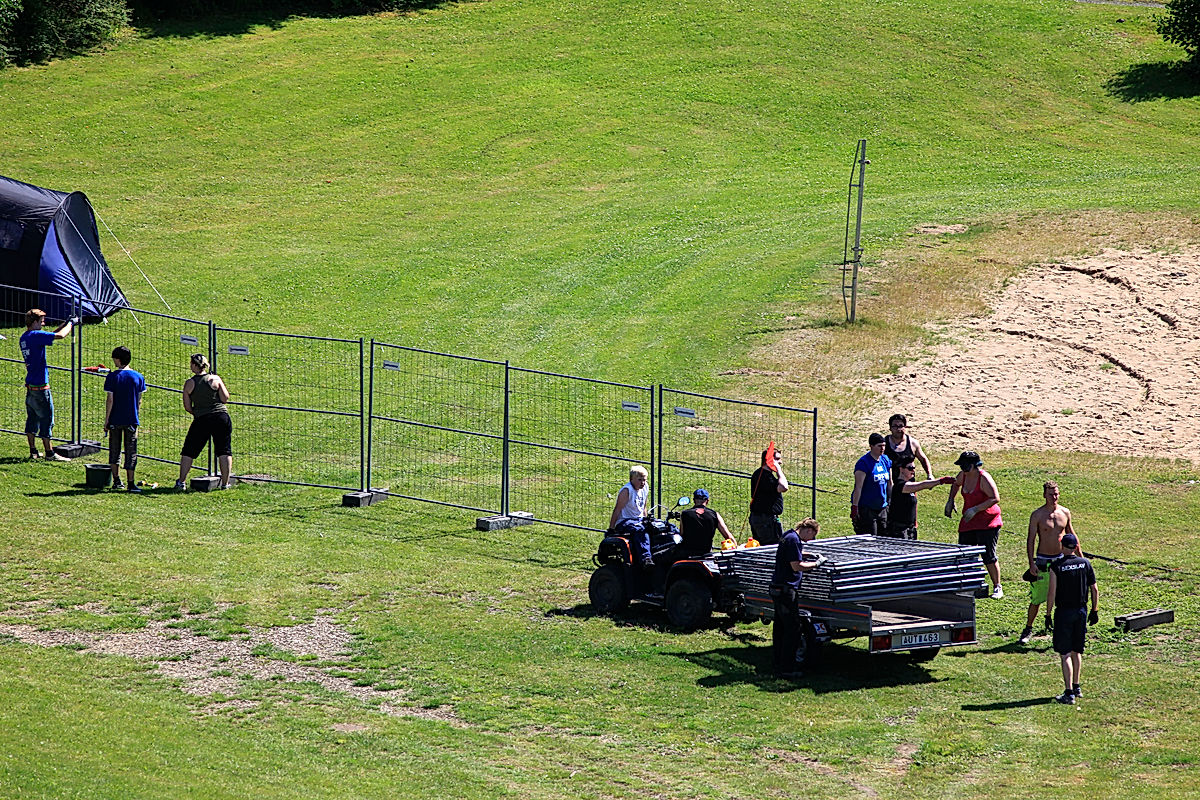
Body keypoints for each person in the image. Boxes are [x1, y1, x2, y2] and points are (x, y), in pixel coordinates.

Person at [1019, 481, 1075, 644]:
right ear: (1044, 495)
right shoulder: (1037, 515)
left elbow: (1072, 535)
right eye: (1051, 494)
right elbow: (1031, 540)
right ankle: (1028, 628)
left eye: (1056, 493)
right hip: (1043, 561)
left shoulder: (1065, 512)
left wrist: (1080, 557)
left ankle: (1060, 629)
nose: (1054, 497)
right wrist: (1031, 563)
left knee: (1063, 597)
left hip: (1061, 560)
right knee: (1037, 599)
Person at [1046, 533, 1099, 704]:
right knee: (1078, 651)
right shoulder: (1085, 563)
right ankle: (1077, 686)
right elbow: (1095, 589)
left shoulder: (1056, 566)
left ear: (1062, 546)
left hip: (1064, 612)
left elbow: (1052, 592)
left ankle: (1068, 693)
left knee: (1065, 654)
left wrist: (1047, 615)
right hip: (1081, 611)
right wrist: (1094, 610)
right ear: (1076, 546)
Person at [771, 518, 827, 677]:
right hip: (786, 590)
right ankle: (787, 669)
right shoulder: (794, 540)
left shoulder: (788, 536)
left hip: (777, 588)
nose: (812, 539)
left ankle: (778, 664)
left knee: (780, 627)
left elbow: (792, 553)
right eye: (813, 536)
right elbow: (797, 566)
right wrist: (817, 564)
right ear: (809, 530)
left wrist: (808, 554)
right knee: (792, 629)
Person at [945, 450, 1004, 599]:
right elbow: (956, 484)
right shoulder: (963, 476)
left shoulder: (984, 478)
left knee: (988, 555)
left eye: (964, 465)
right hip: (969, 520)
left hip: (987, 521)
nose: (962, 468)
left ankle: (997, 586)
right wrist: (950, 501)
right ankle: (968, 585)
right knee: (965, 553)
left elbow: (994, 498)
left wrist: (976, 509)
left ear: (973, 465)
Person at [18, 308, 76, 462]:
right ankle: (50, 453)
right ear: (35, 322)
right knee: (46, 419)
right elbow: (60, 335)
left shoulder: (25, 337)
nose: (44, 324)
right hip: (41, 387)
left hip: (30, 385)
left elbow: (50, 335)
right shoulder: (37, 336)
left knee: (32, 419)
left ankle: (33, 450)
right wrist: (71, 323)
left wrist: (65, 323)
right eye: (42, 321)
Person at [176, 353, 234, 491]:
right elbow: (225, 398)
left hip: (202, 419)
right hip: (221, 417)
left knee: (189, 450)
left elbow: (187, 407)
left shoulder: (190, 383)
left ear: (195, 365)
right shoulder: (215, 379)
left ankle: (181, 481)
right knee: (224, 450)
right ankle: (225, 483)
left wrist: (198, 412)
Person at [103, 345, 146, 493]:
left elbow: (110, 400)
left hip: (115, 419)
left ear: (118, 359)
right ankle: (131, 483)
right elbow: (139, 401)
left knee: (115, 451)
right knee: (131, 451)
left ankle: (116, 481)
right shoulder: (139, 377)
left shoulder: (113, 377)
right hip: (131, 419)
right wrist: (136, 416)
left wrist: (107, 420)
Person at [886, 459, 955, 539]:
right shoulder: (899, 485)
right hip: (898, 530)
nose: (913, 471)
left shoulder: (910, 486)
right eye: (910, 468)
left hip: (910, 529)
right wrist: (940, 481)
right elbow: (922, 485)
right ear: (901, 469)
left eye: (914, 468)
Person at [609, 465, 651, 566]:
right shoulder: (627, 491)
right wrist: (611, 528)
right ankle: (646, 558)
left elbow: (643, 507)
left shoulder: (645, 487)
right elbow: (617, 509)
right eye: (640, 480)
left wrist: (646, 520)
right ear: (631, 479)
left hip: (639, 519)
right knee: (640, 530)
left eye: (644, 480)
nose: (642, 483)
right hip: (625, 521)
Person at [850, 433, 891, 536]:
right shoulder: (863, 463)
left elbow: (890, 483)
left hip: (882, 507)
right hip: (867, 508)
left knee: (883, 538)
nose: (882, 448)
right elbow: (858, 487)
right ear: (871, 446)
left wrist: (890, 501)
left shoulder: (885, 460)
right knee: (870, 538)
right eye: (879, 446)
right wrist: (855, 507)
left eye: (884, 445)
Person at [676, 488, 735, 559]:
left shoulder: (685, 514)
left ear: (694, 500)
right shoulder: (715, 514)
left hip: (688, 554)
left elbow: (681, 534)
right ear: (707, 501)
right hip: (706, 554)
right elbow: (728, 536)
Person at [749, 448, 789, 545]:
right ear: (770, 460)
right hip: (766, 521)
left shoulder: (763, 474)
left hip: (764, 519)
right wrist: (779, 470)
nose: (780, 462)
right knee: (773, 546)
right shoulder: (764, 477)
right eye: (777, 459)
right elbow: (784, 487)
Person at [884, 414, 933, 480]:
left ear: (905, 427)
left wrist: (929, 474)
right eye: (895, 426)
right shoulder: (884, 443)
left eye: (901, 426)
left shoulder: (913, 443)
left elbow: (923, 459)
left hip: (909, 483)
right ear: (890, 428)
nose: (898, 429)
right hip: (889, 484)